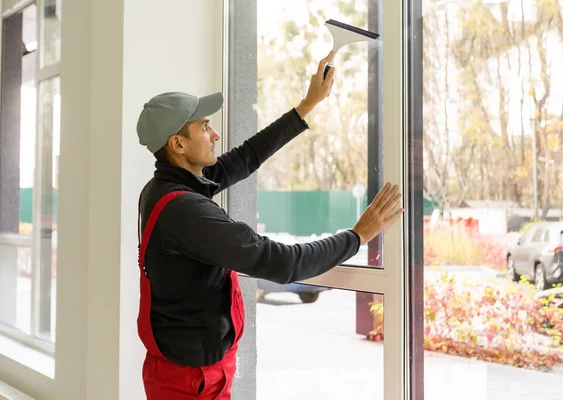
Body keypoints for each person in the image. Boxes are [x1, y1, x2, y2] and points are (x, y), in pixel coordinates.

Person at [135, 51, 403, 399]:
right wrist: (357, 236)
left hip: (182, 367)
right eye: (204, 126)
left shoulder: (165, 187)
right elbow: (283, 262)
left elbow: (245, 158)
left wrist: (306, 107)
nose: (215, 134)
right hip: (192, 380)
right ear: (178, 144)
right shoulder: (187, 211)